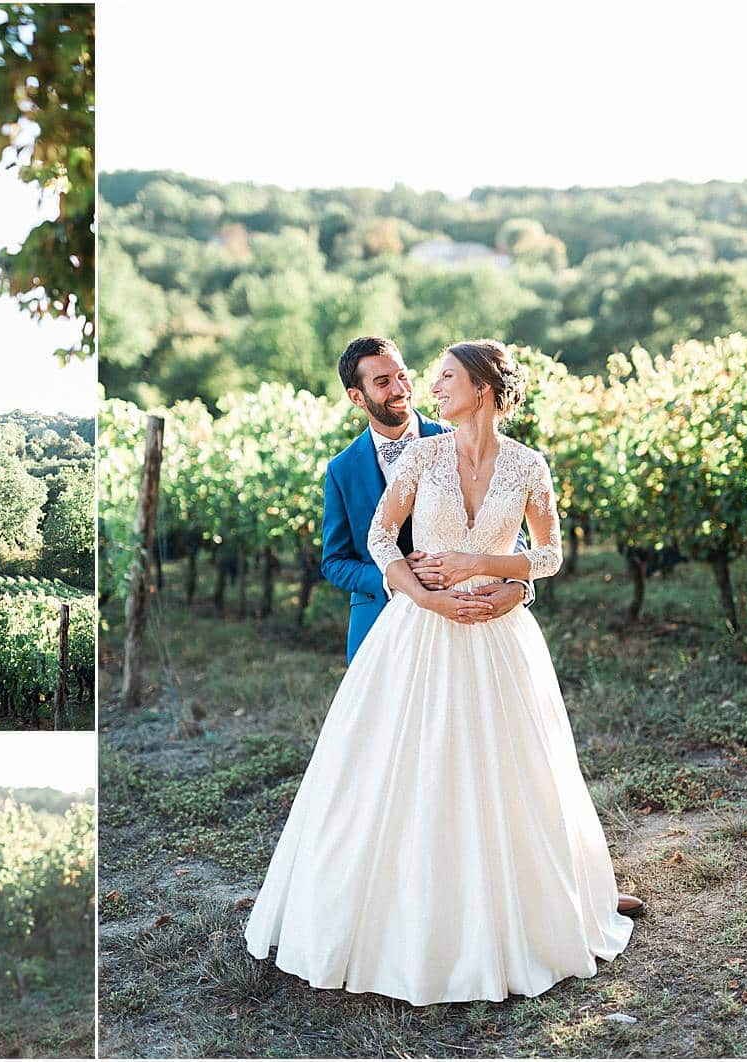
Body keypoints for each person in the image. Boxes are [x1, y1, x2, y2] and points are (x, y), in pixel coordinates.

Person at [245, 339, 639, 1004]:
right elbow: (374, 540)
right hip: (417, 634)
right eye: (405, 378)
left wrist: (500, 577)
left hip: (497, 638)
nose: (426, 388)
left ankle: (540, 903)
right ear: (359, 393)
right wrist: (423, 592)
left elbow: (549, 553)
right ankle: (405, 922)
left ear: (483, 387)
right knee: (405, 773)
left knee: (511, 774)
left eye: (443, 376)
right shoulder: (419, 458)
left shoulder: (527, 465)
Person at [321, 336, 531, 665]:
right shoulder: (341, 470)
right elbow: (334, 561)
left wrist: (519, 585)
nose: (400, 389)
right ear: (356, 397)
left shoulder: (460, 438)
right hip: (378, 618)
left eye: (402, 375)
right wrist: (395, 577)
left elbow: (507, 525)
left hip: (463, 616)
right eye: (382, 382)